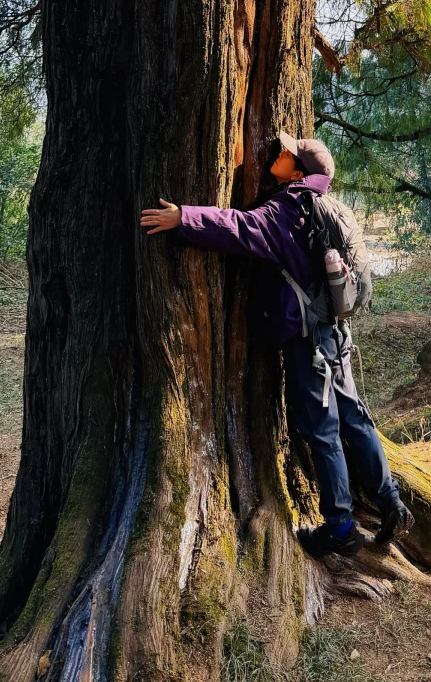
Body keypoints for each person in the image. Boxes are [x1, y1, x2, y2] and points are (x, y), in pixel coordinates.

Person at [140, 131, 413, 558]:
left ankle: (340, 529)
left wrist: (184, 218)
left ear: (299, 172)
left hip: (309, 342)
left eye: (289, 153)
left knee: (322, 431)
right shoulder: (330, 207)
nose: (280, 152)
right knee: (355, 419)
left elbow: (240, 227)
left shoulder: (290, 208)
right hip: (335, 334)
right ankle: (391, 503)